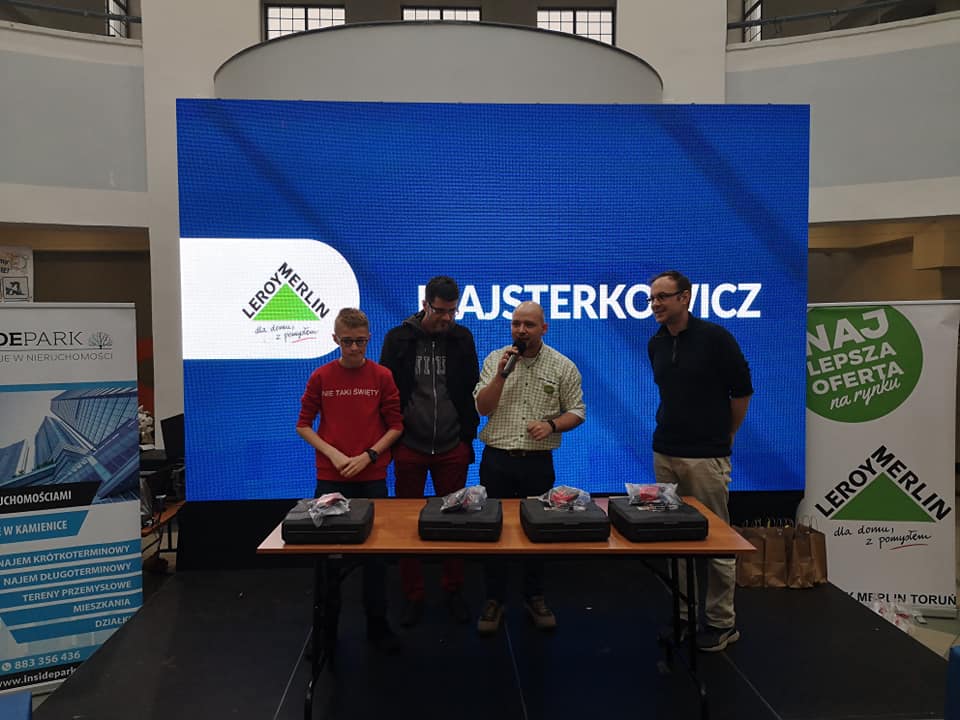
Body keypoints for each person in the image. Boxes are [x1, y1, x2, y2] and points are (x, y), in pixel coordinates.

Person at [647, 270, 753, 652]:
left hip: (707, 455)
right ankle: (685, 615)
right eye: (652, 298)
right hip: (666, 452)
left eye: (662, 296)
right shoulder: (656, 342)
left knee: (717, 539)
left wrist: (726, 435)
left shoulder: (715, 338)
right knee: (674, 537)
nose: (655, 304)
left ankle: (722, 622)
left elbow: (742, 391)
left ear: (685, 297)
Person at [473, 301, 585, 635]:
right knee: (493, 531)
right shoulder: (496, 359)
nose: (521, 330)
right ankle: (494, 599)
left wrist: (551, 425)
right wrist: (501, 375)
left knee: (538, 531)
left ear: (543, 328)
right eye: (516, 324)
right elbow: (482, 407)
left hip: (537, 463)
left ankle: (534, 596)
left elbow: (577, 411)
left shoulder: (562, 366)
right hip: (496, 460)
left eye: (529, 325)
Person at [296, 307, 404, 654]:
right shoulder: (321, 377)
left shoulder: (382, 376)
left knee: (376, 559)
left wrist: (368, 455)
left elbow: (396, 426)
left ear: (369, 339)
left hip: (372, 477)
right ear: (335, 340)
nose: (354, 348)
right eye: (347, 341)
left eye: (359, 341)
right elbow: (303, 425)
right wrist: (335, 455)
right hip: (331, 478)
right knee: (328, 560)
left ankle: (378, 625)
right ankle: (326, 631)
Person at [379, 275, 480, 626]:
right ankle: (414, 594)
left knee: (455, 521)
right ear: (425, 305)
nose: (447, 318)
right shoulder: (398, 339)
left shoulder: (463, 338)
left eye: (453, 311)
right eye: (440, 311)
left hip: (452, 445)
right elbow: (387, 395)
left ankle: (454, 589)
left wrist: (467, 438)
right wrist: (393, 439)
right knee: (409, 523)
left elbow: (471, 390)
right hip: (410, 445)